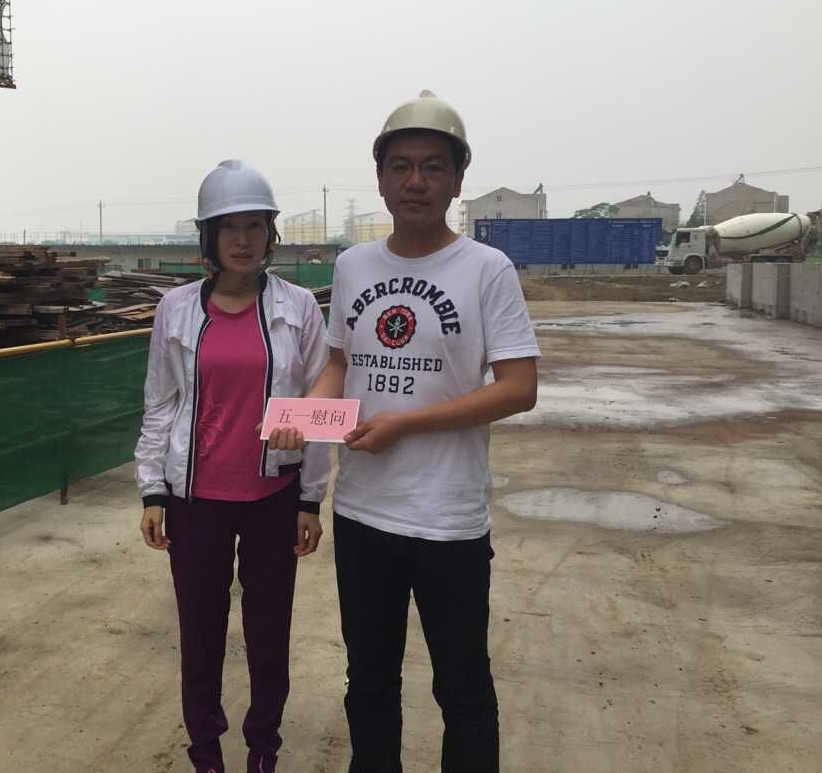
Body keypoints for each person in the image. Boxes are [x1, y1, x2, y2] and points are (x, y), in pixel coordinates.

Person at [270, 91, 540, 772]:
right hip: (364, 513)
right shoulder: (353, 266)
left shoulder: (487, 270)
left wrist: (407, 425)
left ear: (457, 178)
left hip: (448, 519)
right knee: (368, 679)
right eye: (400, 166)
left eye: (432, 166)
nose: (415, 181)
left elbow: (519, 387)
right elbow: (340, 362)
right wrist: (305, 415)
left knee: (462, 685)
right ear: (381, 178)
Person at [135, 159, 330, 773]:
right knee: (201, 633)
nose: (242, 240)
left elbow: (318, 402)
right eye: (228, 227)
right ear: (209, 237)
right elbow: (160, 403)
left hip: (274, 496)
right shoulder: (176, 309)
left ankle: (263, 746)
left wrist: (310, 498)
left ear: (271, 234)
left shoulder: (299, 307)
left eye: (254, 226)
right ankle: (206, 750)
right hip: (195, 501)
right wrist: (152, 490)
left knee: (270, 633)